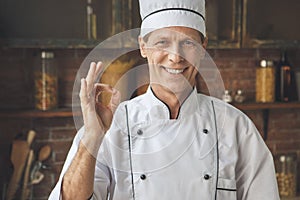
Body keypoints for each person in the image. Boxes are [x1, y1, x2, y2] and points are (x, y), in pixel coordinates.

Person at [49, 0, 280, 199]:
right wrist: (91, 136)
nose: (175, 57)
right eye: (162, 42)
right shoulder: (109, 127)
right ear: (143, 47)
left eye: (188, 43)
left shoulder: (237, 127)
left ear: (203, 48)